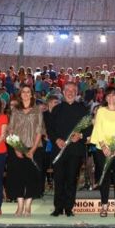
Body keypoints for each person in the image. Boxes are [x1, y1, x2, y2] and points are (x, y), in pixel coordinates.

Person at [45, 82, 89, 217]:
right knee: (59, 179)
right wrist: (56, 139)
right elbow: (50, 129)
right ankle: (58, 207)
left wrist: (80, 135)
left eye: (73, 90)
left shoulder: (83, 109)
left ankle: (69, 208)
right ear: (63, 92)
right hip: (59, 150)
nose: (70, 92)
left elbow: (89, 128)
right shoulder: (56, 109)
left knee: (71, 179)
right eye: (68, 90)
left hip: (75, 151)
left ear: (77, 93)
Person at [6, 84, 45, 216]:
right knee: (17, 176)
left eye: (28, 92)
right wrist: (16, 148)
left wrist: (32, 150)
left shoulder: (37, 110)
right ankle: (20, 204)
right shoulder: (15, 110)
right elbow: (10, 129)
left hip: (34, 148)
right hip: (17, 147)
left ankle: (28, 205)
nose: (26, 94)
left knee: (32, 176)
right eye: (23, 92)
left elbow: (39, 130)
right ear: (20, 94)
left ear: (32, 94)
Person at [90, 87, 115, 217]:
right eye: (108, 96)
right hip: (103, 150)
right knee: (104, 178)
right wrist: (103, 146)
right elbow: (98, 129)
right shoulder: (100, 111)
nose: (111, 98)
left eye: (113, 95)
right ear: (105, 98)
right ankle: (104, 206)